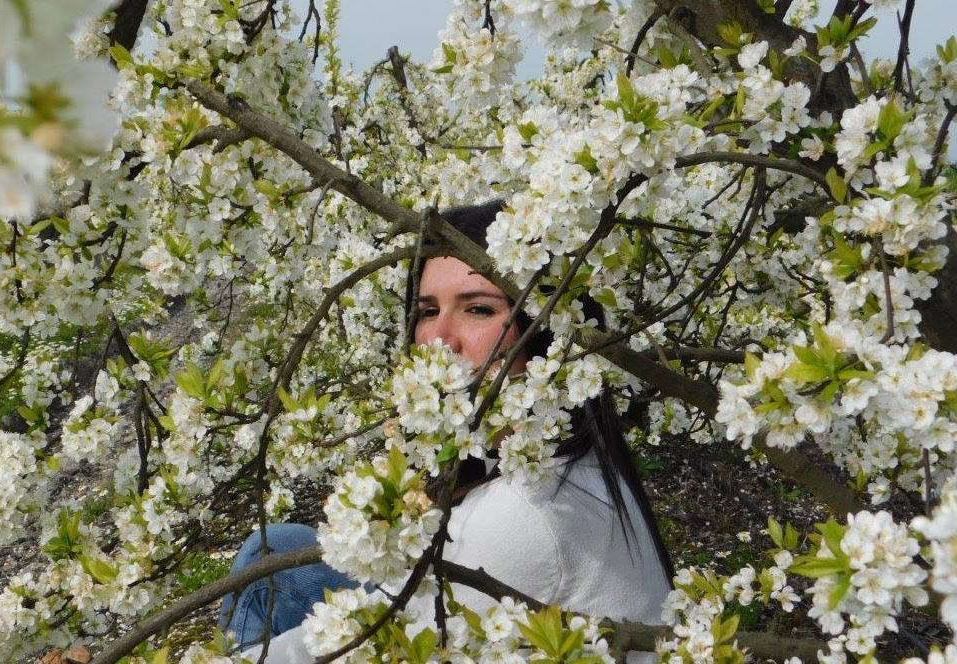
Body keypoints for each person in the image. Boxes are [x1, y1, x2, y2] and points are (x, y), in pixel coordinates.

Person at [220, 201, 673, 663]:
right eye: (427, 310)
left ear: (550, 334)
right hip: (464, 601)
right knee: (275, 549)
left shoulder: (521, 516)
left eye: (478, 309)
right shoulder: (558, 450)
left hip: (432, 625)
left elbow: (376, 642)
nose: (439, 339)